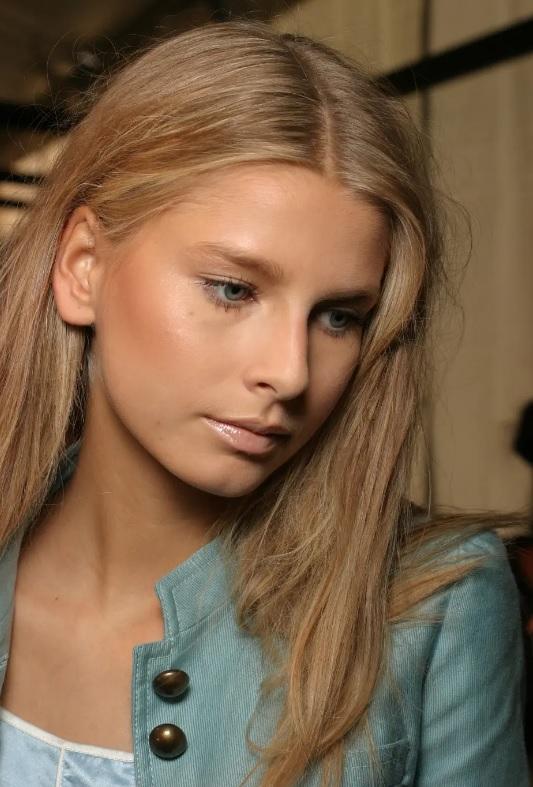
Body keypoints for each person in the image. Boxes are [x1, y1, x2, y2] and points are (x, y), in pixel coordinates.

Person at [0, 18, 529, 787]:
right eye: (232, 289)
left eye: (338, 316)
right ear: (83, 267)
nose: (289, 371)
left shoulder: (429, 607)